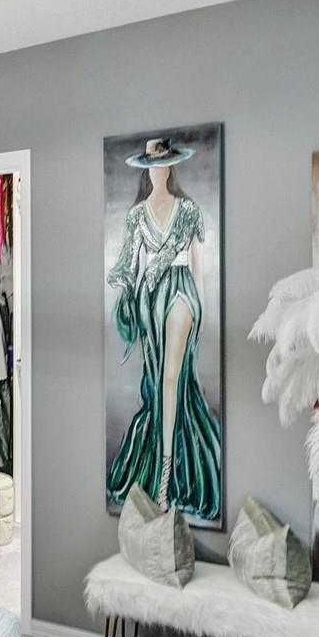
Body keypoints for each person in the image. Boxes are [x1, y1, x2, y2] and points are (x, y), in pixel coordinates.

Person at [106, 138, 222, 523]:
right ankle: (162, 464)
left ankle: (166, 480)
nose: (157, 170)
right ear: (146, 169)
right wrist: (127, 289)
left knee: (171, 377)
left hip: (181, 292)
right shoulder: (137, 215)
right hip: (149, 300)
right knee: (159, 384)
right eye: (151, 165)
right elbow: (129, 264)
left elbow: (198, 267)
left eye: (163, 163)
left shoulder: (188, 211)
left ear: (171, 167)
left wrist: (200, 310)